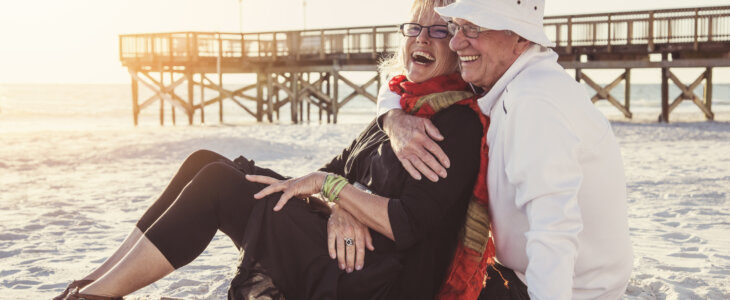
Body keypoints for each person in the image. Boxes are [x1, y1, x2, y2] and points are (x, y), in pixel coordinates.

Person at [55, 1, 490, 299]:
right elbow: (336, 168)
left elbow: (408, 223)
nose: (423, 39)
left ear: (457, 45)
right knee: (204, 160)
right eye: (415, 27)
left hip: (371, 277)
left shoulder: (456, 124)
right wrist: (339, 202)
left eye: (439, 30)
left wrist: (332, 189)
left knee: (218, 186)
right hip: (344, 238)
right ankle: (91, 282)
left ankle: (97, 296)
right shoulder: (401, 109)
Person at [377, 0, 633, 299]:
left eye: (473, 28)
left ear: (521, 37)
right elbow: (397, 79)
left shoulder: (534, 103)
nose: (457, 42)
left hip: (566, 289)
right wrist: (393, 118)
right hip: (530, 275)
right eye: (456, 27)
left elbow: (555, 232)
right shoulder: (510, 77)